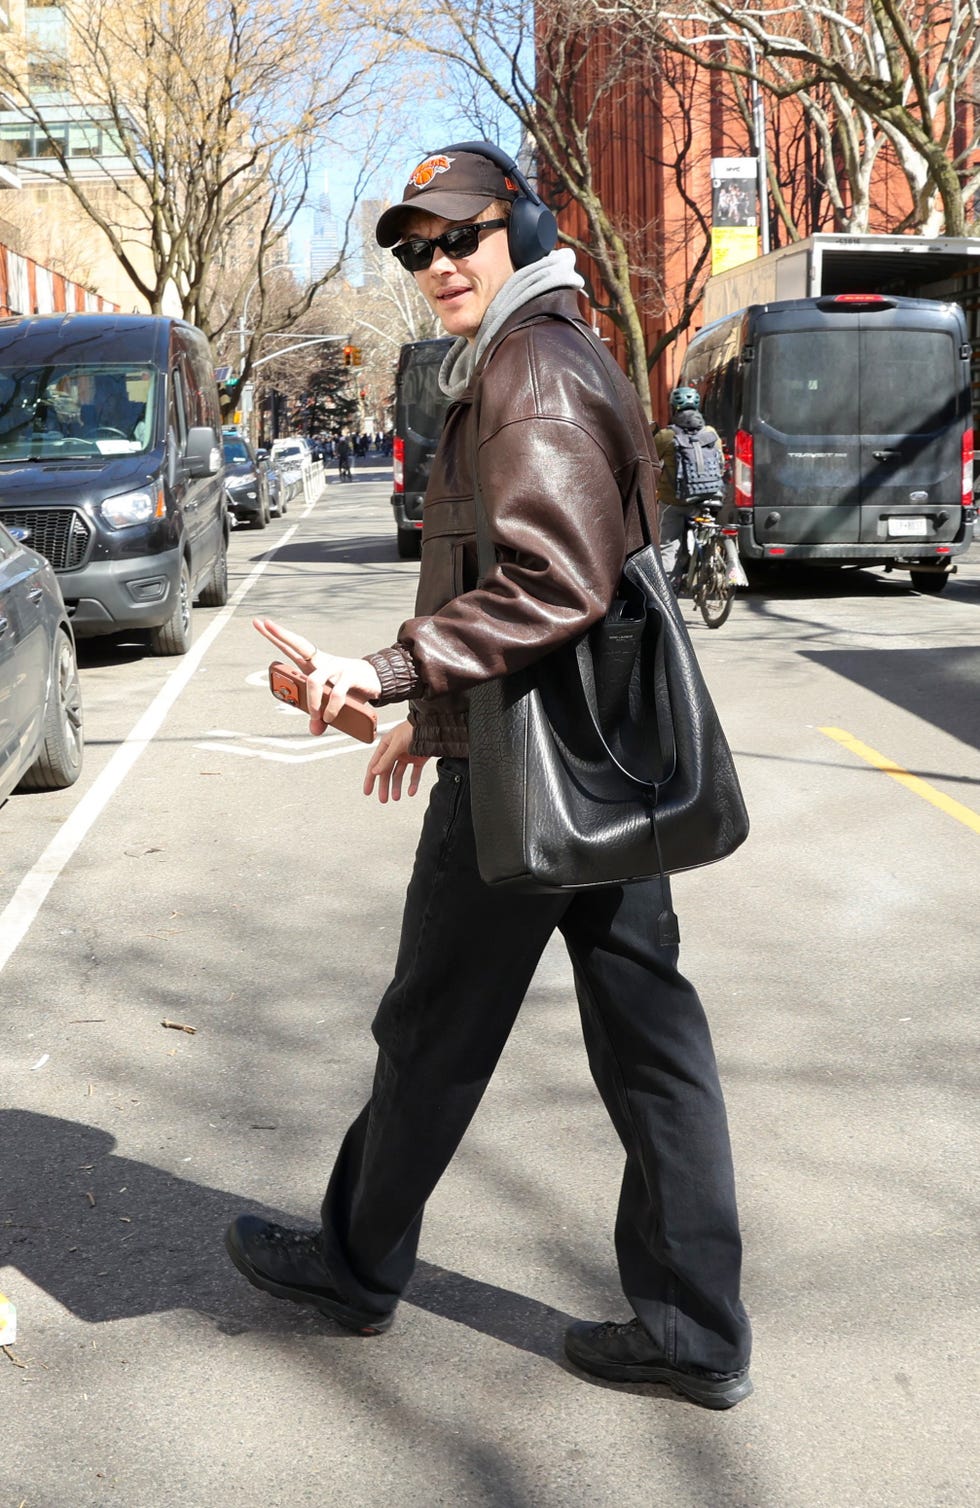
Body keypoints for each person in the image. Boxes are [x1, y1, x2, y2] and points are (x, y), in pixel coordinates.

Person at [225, 144, 752, 1409]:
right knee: (650, 1043)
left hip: (530, 778)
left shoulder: (528, 369)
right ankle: (694, 1328)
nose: (438, 264)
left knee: (430, 1031)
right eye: (418, 249)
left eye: (460, 236)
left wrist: (388, 673)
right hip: (597, 767)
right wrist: (431, 716)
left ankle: (353, 1266)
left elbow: (553, 582)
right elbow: (552, 583)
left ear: (521, 226)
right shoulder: (545, 351)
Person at [653, 386, 725, 588]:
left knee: (668, 544)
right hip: (708, 497)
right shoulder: (711, 433)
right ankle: (711, 559)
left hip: (673, 500)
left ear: (673, 409)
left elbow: (650, 460)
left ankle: (667, 589)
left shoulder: (666, 436)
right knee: (708, 529)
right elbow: (720, 463)